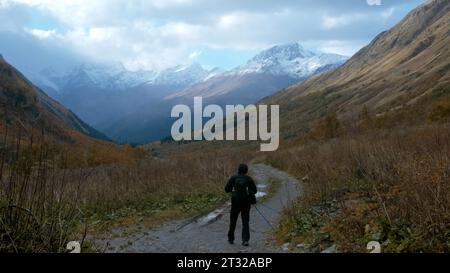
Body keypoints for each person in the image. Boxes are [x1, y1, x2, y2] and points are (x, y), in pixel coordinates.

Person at [225, 164, 257, 247]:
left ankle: (231, 239)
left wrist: (233, 191)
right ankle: (245, 240)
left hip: (235, 202)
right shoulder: (249, 179)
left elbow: (226, 189)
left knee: (233, 221)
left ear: (238, 170)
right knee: (245, 221)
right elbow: (255, 191)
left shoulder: (233, 178)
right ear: (246, 170)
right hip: (246, 203)